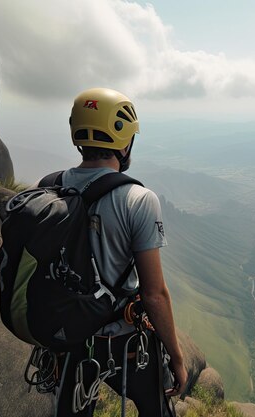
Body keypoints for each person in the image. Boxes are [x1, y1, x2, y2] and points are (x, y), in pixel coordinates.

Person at [52, 87, 187, 416]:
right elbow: (154, 293)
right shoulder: (138, 200)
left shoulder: (50, 187)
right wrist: (177, 357)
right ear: (124, 140)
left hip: (68, 339)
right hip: (124, 343)